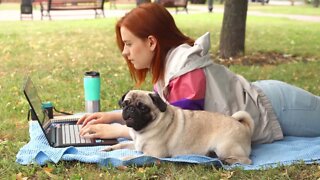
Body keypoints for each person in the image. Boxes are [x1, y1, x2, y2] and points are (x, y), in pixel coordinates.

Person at [78, 3, 320, 144]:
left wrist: (119, 131)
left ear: (151, 42)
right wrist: (110, 116)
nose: (124, 52)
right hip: (263, 98)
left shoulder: (184, 67)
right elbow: (157, 110)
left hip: (276, 106)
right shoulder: (168, 66)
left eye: (129, 44)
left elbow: (174, 128)